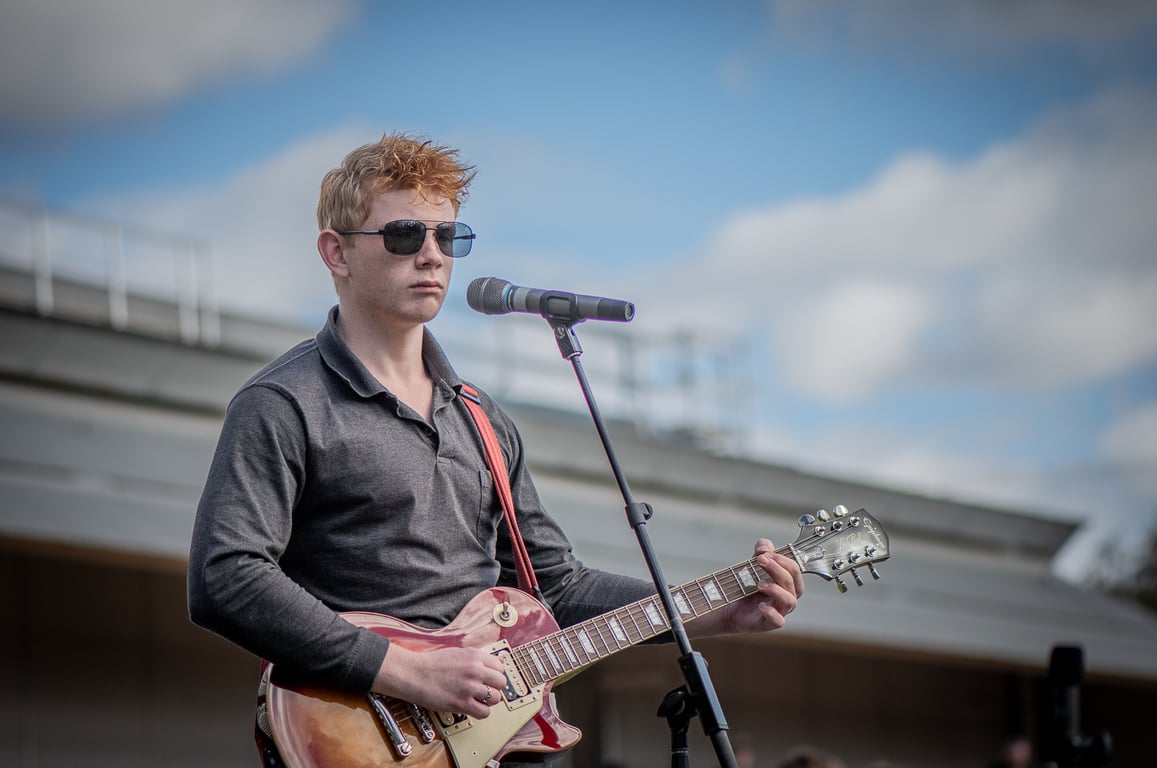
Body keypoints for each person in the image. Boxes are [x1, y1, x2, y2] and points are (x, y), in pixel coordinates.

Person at [186, 133, 805, 766]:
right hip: (362, 738)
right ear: (336, 252)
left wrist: (717, 611)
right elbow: (225, 576)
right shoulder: (281, 402)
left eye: (447, 237)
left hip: (500, 745)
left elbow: (557, 588)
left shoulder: (483, 419)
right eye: (404, 235)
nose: (432, 255)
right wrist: (406, 672)